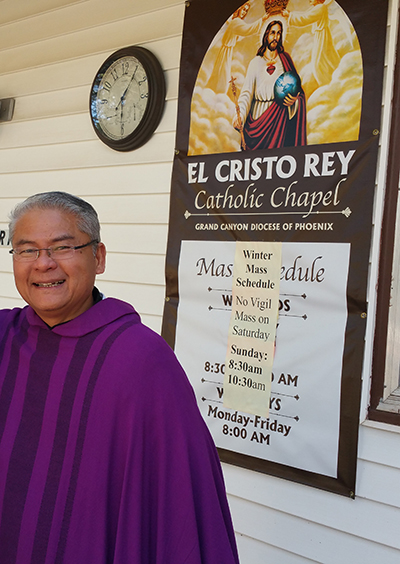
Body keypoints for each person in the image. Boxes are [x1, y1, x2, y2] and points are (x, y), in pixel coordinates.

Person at [0, 191, 240, 564]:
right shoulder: (4, 338)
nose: (43, 264)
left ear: (98, 258)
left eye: (62, 247)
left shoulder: (140, 359)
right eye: (27, 250)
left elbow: (179, 497)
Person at [233, 19, 307, 150]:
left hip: (280, 121)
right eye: (272, 33)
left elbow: (298, 91)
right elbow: (247, 93)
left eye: (279, 33)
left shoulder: (285, 60)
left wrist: (294, 101)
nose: (276, 37)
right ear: (265, 35)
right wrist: (240, 117)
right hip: (258, 121)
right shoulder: (255, 63)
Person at [206, 3, 268, 95]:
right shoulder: (236, 22)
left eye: (246, 11)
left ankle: (214, 89)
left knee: (221, 70)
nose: (244, 12)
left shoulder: (235, 22)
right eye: (243, 9)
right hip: (226, 51)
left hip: (227, 51)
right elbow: (247, 29)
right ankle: (219, 91)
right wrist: (261, 20)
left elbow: (241, 34)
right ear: (238, 9)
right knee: (223, 71)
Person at [283, 0, 340, 87]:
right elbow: (305, 14)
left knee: (319, 62)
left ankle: (328, 83)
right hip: (320, 35)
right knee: (325, 60)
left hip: (322, 36)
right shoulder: (317, 8)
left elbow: (306, 18)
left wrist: (290, 15)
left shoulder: (320, 7)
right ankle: (331, 81)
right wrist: (290, 14)